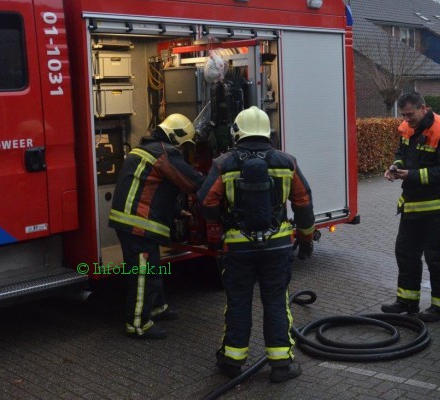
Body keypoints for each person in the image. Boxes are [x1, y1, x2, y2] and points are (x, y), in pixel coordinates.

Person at [198, 106, 315, 383]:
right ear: (267, 132)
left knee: (238, 302)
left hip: (238, 249)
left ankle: (232, 361)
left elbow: (206, 202)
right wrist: (306, 238)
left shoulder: (223, 163)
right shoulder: (287, 162)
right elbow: (303, 202)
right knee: (276, 302)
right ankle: (281, 365)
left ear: (237, 132)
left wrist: (222, 220)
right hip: (278, 247)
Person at [108, 113, 204, 340]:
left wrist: (177, 211)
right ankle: (138, 324)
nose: (183, 150)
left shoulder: (145, 149)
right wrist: (217, 177)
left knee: (152, 266)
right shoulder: (164, 153)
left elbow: (155, 190)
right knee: (143, 274)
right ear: (177, 137)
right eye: (184, 145)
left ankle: (157, 307)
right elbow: (193, 182)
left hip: (132, 221)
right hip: (138, 224)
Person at [382, 91, 440, 322]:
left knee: (437, 260)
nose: (407, 119)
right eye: (404, 115)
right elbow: (401, 154)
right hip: (412, 208)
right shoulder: (407, 128)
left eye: (410, 114)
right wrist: (395, 167)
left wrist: (411, 175)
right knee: (406, 255)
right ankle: (407, 301)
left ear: (423, 108)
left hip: (439, 211)